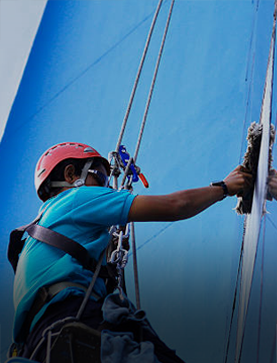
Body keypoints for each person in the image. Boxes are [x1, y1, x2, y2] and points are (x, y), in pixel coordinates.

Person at [8, 142, 253, 363]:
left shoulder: (37, 234)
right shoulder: (75, 198)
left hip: (40, 347)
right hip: (72, 325)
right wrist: (224, 187)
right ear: (71, 174)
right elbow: (175, 206)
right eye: (100, 177)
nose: (104, 187)